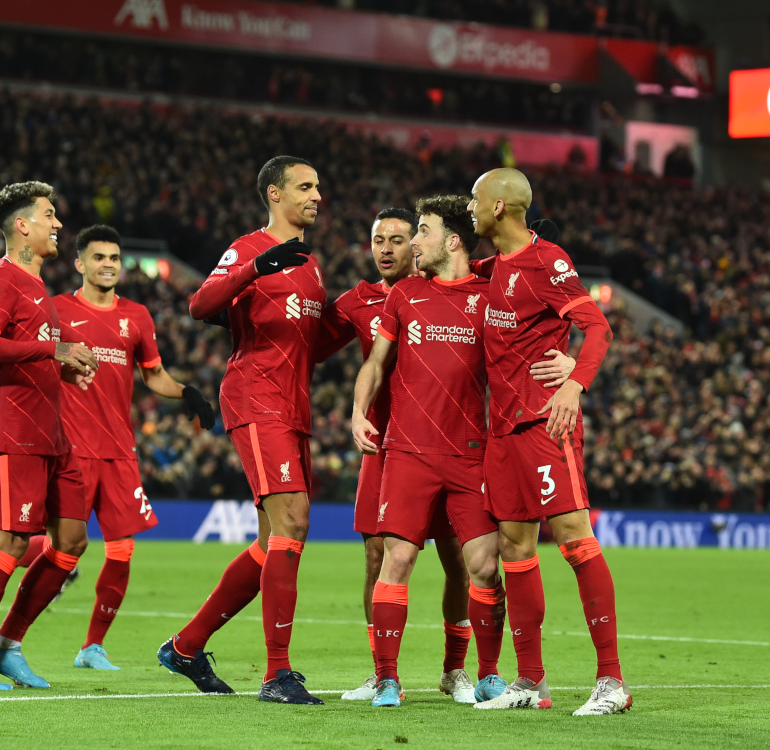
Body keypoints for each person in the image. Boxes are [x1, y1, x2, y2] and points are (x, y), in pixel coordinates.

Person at [350, 196, 576, 708]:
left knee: (484, 565)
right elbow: (376, 362)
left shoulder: (489, 291)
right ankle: (387, 677)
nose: (413, 241)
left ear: (451, 240)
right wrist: (359, 411)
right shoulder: (404, 294)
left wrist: (570, 365)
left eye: (422, 231)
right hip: (407, 450)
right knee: (398, 557)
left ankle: (489, 675)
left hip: (471, 453)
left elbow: (539, 305)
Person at [157, 156, 326, 705]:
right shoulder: (251, 246)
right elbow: (199, 302)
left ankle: (185, 646)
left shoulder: (311, 264)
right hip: (257, 397)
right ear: (274, 194)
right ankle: (277, 673)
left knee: (270, 541)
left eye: (318, 187)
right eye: (305, 186)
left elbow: (312, 344)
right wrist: (256, 268)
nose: (316, 195)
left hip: (294, 405)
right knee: (293, 522)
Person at [467, 168, 631, 715]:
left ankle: (612, 682)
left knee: (573, 537)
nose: (469, 207)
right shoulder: (489, 269)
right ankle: (530, 682)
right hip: (502, 431)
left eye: (474, 199)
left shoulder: (547, 261)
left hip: (544, 424)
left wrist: (574, 384)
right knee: (515, 547)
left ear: (497, 207)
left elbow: (598, 327)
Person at [315, 208, 474, 703]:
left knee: (458, 560)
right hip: (385, 447)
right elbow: (310, 344)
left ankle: (456, 669)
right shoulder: (357, 301)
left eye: (397, 239)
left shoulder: (446, 289)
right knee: (376, 556)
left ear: (417, 245)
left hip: (446, 442)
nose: (384, 248)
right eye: (377, 239)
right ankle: (380, 670)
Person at [0, 181, 98, 691]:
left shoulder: (38, 289)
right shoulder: (1, 279)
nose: (58, 224)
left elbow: (31, 351)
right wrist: (51, 352)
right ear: (22, 225)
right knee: (9, 541)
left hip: (52, 435)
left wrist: (66, 362)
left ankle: (5, 645)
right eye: (49, 215)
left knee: (71, 541)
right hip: (13, 430)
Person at [48, 224, 215, 669]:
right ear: (80, 263)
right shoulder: (57, 310)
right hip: (72, 447)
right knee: (63, 548)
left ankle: (92, 646)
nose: (108, 265)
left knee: (122, 551)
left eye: (114, 258)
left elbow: (152, 373)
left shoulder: (137, 315)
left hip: (120, 449)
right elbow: (32, 354)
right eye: (99, 257)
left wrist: (186, 392)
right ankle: (10, 639)